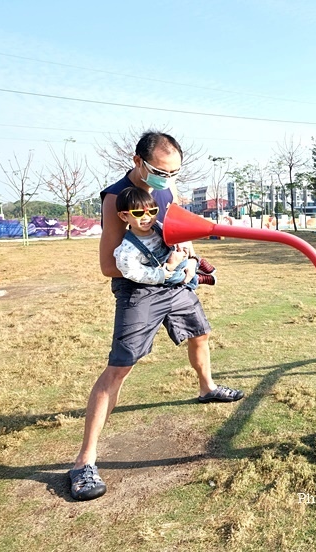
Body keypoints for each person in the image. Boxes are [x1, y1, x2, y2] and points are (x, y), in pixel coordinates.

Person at [69, 131, 243, 502]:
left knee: (199, 334)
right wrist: (160, 272)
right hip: (140, 289)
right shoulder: (117, 198)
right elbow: (107, 266)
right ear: (138, 162)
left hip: (176, 280)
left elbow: (179, 229)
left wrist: (189, 261)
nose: (169, 180)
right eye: (162, 172)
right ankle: (85, 461)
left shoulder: (168, 189)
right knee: (120, 368)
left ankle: (206, 388)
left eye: (175, 172)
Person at [114, 186, 216, 289]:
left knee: (184, 263)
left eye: (152, 211)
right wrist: (169, 267)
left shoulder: (158, 226)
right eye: (138, 213)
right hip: (163, 271)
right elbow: (133, 272)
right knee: (176, 278)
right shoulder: (127, 249)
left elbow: (175, 233)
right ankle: (196, 279)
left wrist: (182, 248)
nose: (146, 217)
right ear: (123, 216)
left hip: (178, 258)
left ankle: (198, 263)